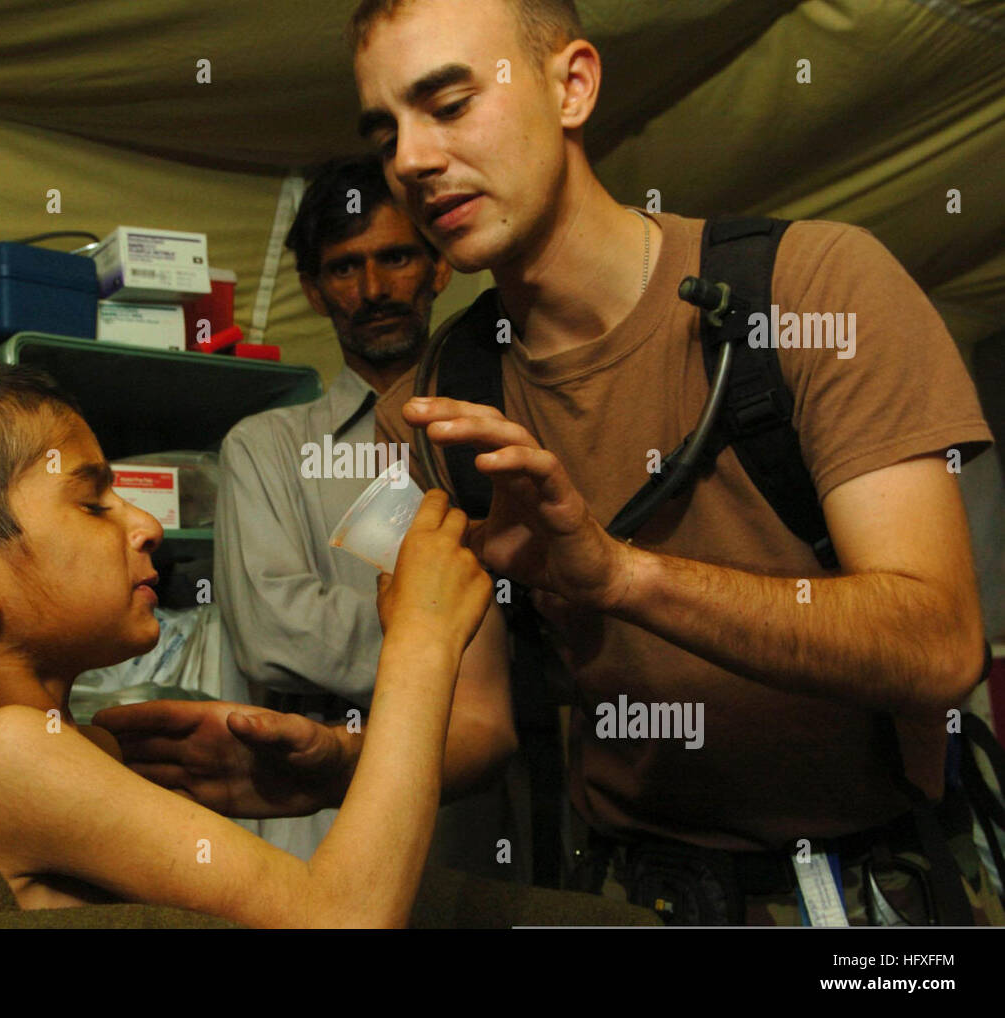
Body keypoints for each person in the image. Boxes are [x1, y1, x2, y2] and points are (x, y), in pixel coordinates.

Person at [97, 0, 1000, 926]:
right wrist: (330, 763)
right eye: (386, 131)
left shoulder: (812, 288)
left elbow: (937, 647)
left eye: (448, 104)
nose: (409, 159)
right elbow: (481, 723)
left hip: (879, 892)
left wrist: (620, 576)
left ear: (572, 87)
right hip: (633, 894)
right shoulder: (452, 385)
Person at [0, 362, 494, 927]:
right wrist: (421, 644)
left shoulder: (25, 752)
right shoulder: (5, 754)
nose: (145, 523)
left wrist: (316, 769)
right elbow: (345, 919)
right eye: (93, 503)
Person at [213, 153, 524, 876]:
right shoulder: (265, 447)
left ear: (441, 267)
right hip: (322, 820)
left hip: (472, 815)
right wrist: (469, 642)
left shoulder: (500, 427)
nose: (375, 289)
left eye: (395, 258)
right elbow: (270, 629)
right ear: (315, 292)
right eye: (346, 268)